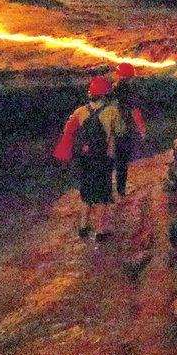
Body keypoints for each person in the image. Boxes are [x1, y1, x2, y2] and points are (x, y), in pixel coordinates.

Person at [53, 76, 123, 239]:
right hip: (103, 157)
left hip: (85, 158)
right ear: (106, 94)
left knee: (86, 192)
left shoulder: (80, 111)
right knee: (103, 194)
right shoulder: (112, 111)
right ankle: (101, 230)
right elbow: (120, 131)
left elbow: (68, 130)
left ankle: (83, 227)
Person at [109, 62, 149, 199]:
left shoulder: (110, 91)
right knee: (122, 159)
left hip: (108, 128)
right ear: (130, 76)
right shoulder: (128, 91)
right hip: (123, 129)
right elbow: (135, 111)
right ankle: (121, 191)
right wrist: (142, 130)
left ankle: (107, 188)